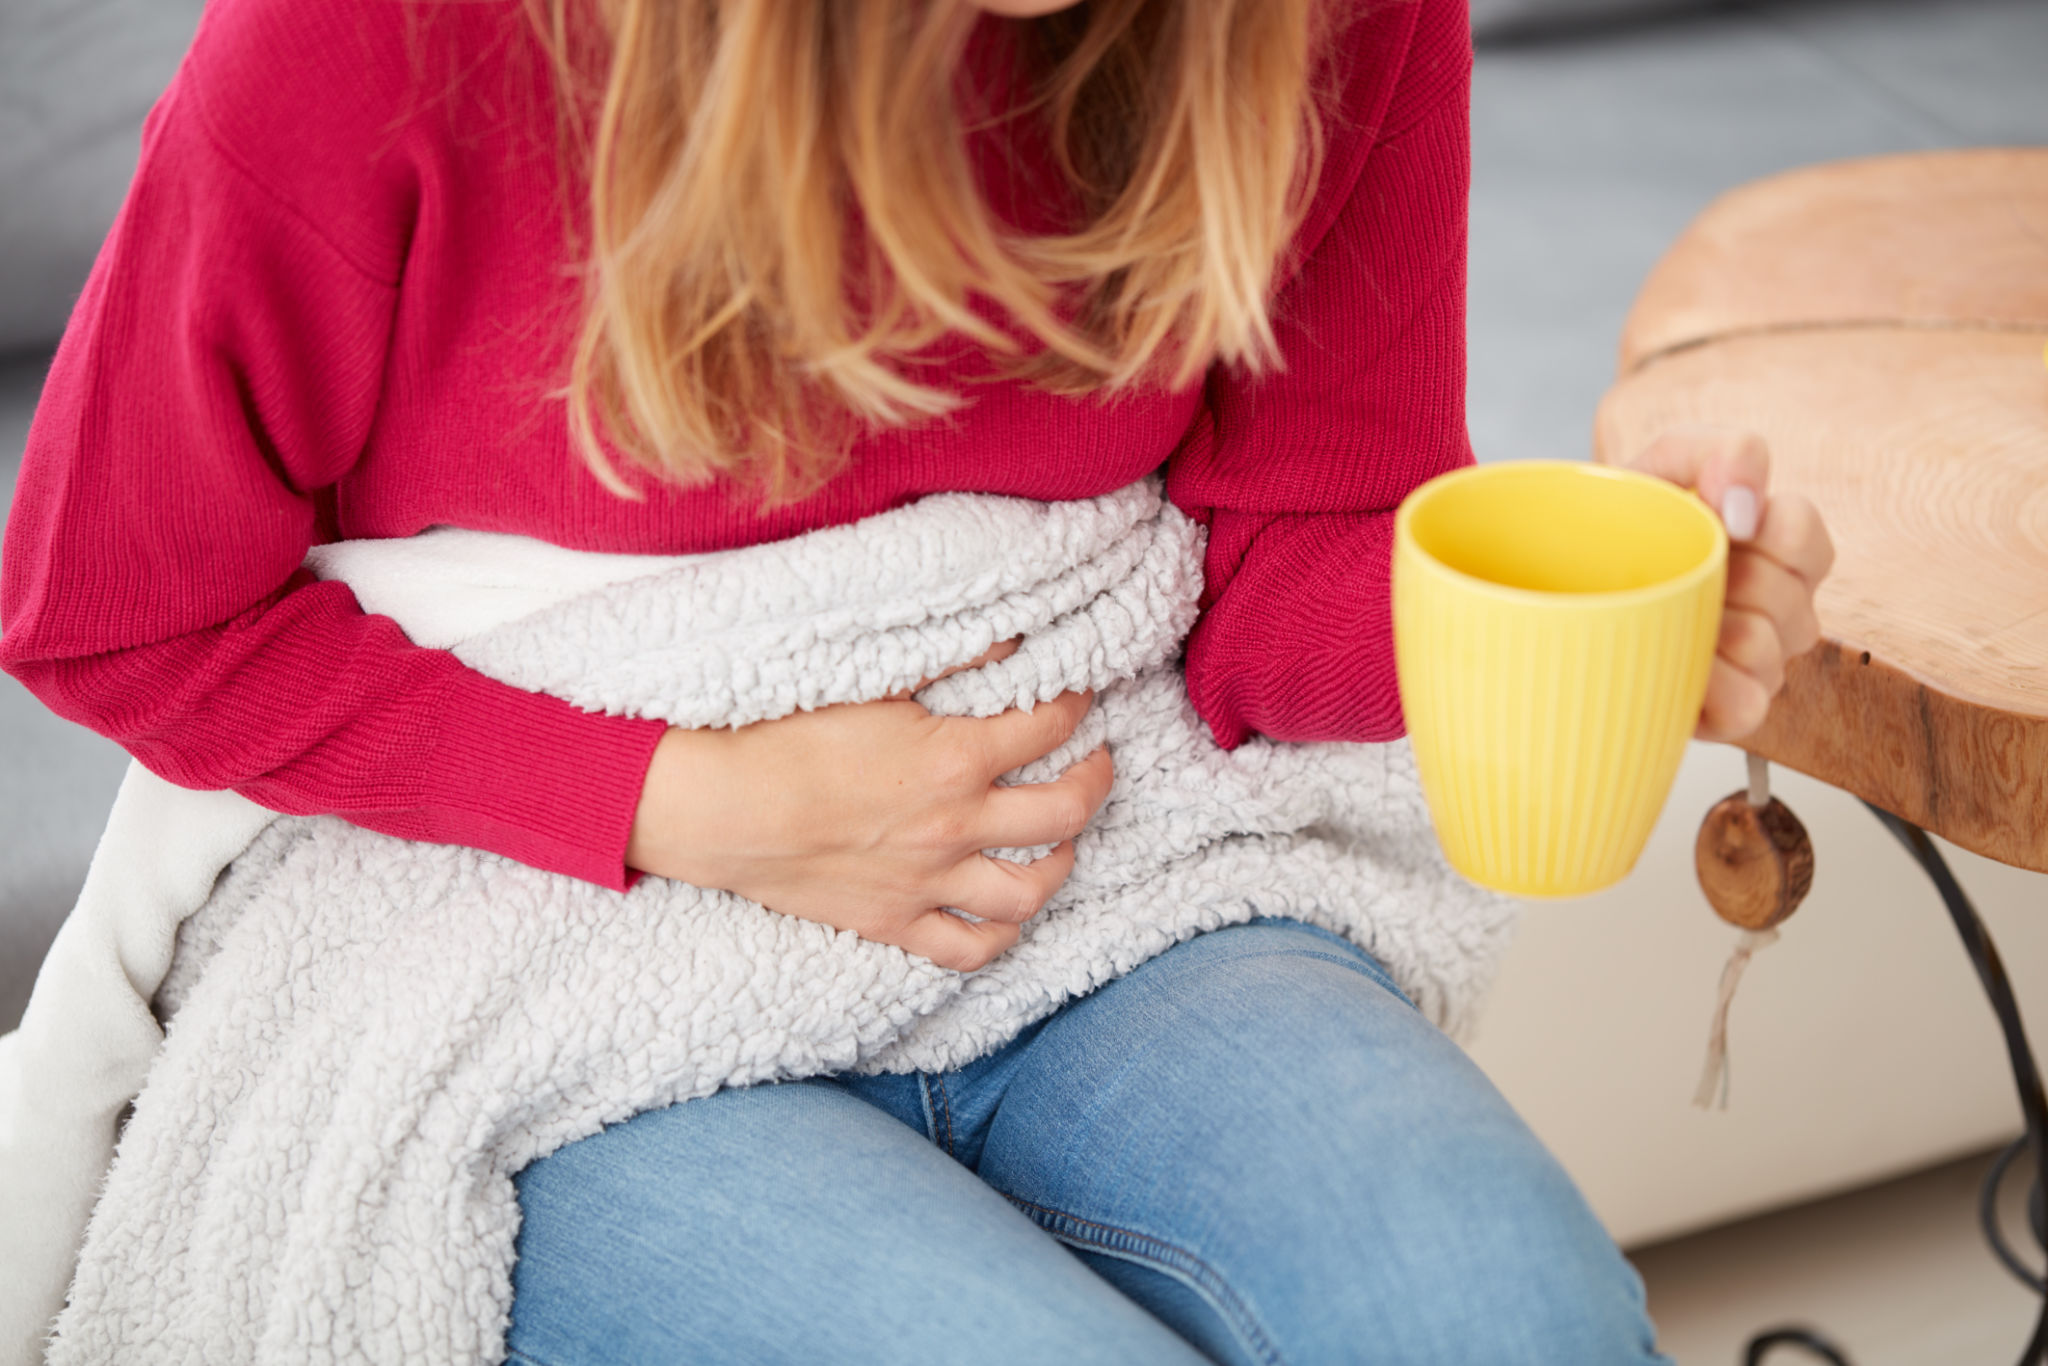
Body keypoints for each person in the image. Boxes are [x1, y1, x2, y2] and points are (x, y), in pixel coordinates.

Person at [0, 0, 1834, 1360]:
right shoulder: (395, 37)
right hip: (543, 957)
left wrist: (1559, 622)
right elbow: (108, 606)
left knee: (1506, 1316)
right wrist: (695, 805)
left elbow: (1271, 575)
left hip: (1113, 884)